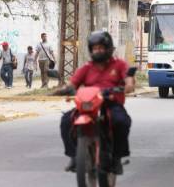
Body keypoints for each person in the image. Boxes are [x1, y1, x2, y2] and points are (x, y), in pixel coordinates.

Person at [55, 31, 135, 174]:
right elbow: (73, 83)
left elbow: (128, 80)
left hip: (111, 103)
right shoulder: (87, 67)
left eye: (100, 47)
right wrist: (63, 89)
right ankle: (74, 157)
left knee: (121, 121)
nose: (97, 51)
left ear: (108, 48)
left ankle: (116, 158)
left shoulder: (119, 64)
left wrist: (128, 85)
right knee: (66, 120)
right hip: (89, 104)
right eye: (95, 48)